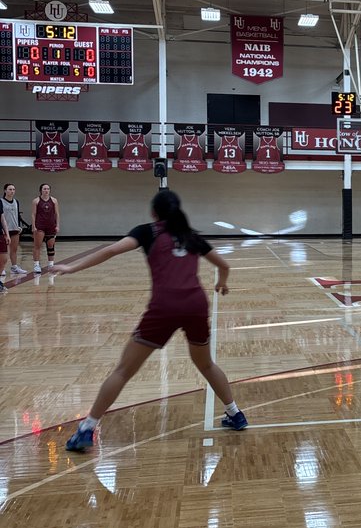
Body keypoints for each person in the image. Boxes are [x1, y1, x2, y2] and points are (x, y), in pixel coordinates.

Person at [53, 189, 248, 451]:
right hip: (196, 304)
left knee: (123, 371)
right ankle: (235, 414)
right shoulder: (190, 236)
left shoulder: (147, 232)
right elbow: (224, 266)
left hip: (164, 307)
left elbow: (111, 250)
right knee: (206, 364)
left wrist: (71, 267)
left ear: (153, 212)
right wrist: (222, 284)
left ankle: (86, 429)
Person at [31, 181, 60, 274]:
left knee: (51, 246)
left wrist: (57, 225)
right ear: (41, 190)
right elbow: (33, 214)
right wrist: (33, 226)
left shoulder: (54, 200)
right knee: (37, 246)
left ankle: (51, 264)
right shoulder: (36, 201)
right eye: (44, 189)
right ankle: (36, 265)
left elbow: (57, 214)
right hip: (40, 226)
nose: (46, 190)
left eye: (48, 189)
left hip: (51, 226)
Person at [0, 183, 27, 280]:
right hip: (5, 230)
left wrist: (19, 226)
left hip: (14, 229)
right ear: (5, 190)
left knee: (14, 249)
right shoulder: (1, 201)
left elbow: (17, 215)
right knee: (3, 251)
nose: (12, 191)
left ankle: (14, 267)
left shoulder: (16, 201)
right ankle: (2, 268)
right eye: (10, 189)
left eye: (13, 189)